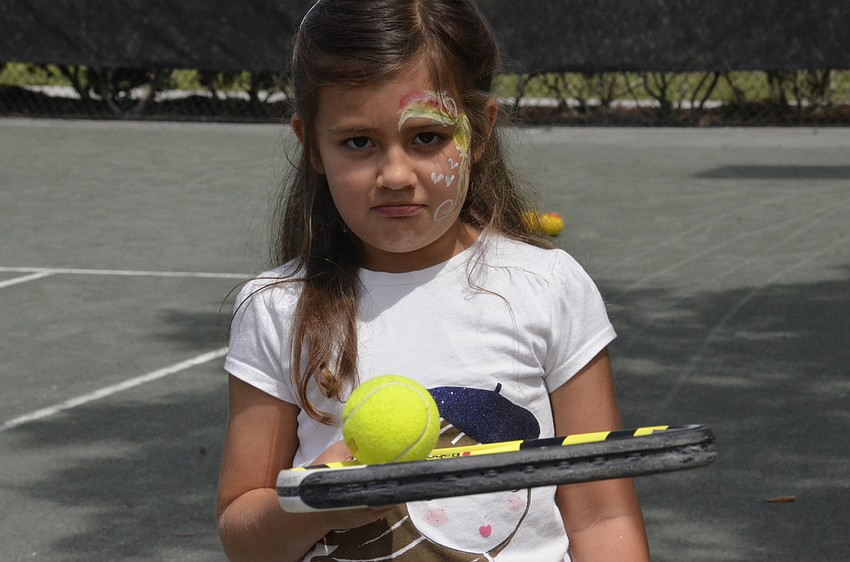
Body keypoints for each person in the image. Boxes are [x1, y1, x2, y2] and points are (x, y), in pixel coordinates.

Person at [216, 1, 650, 560]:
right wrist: (314, 503)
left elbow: (602, 514)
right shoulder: (278, 309)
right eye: (357, 142)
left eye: (427, 138)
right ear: (311, 146)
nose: (396, 175)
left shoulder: (547, 288)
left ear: (481, 131)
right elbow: (244, 537)